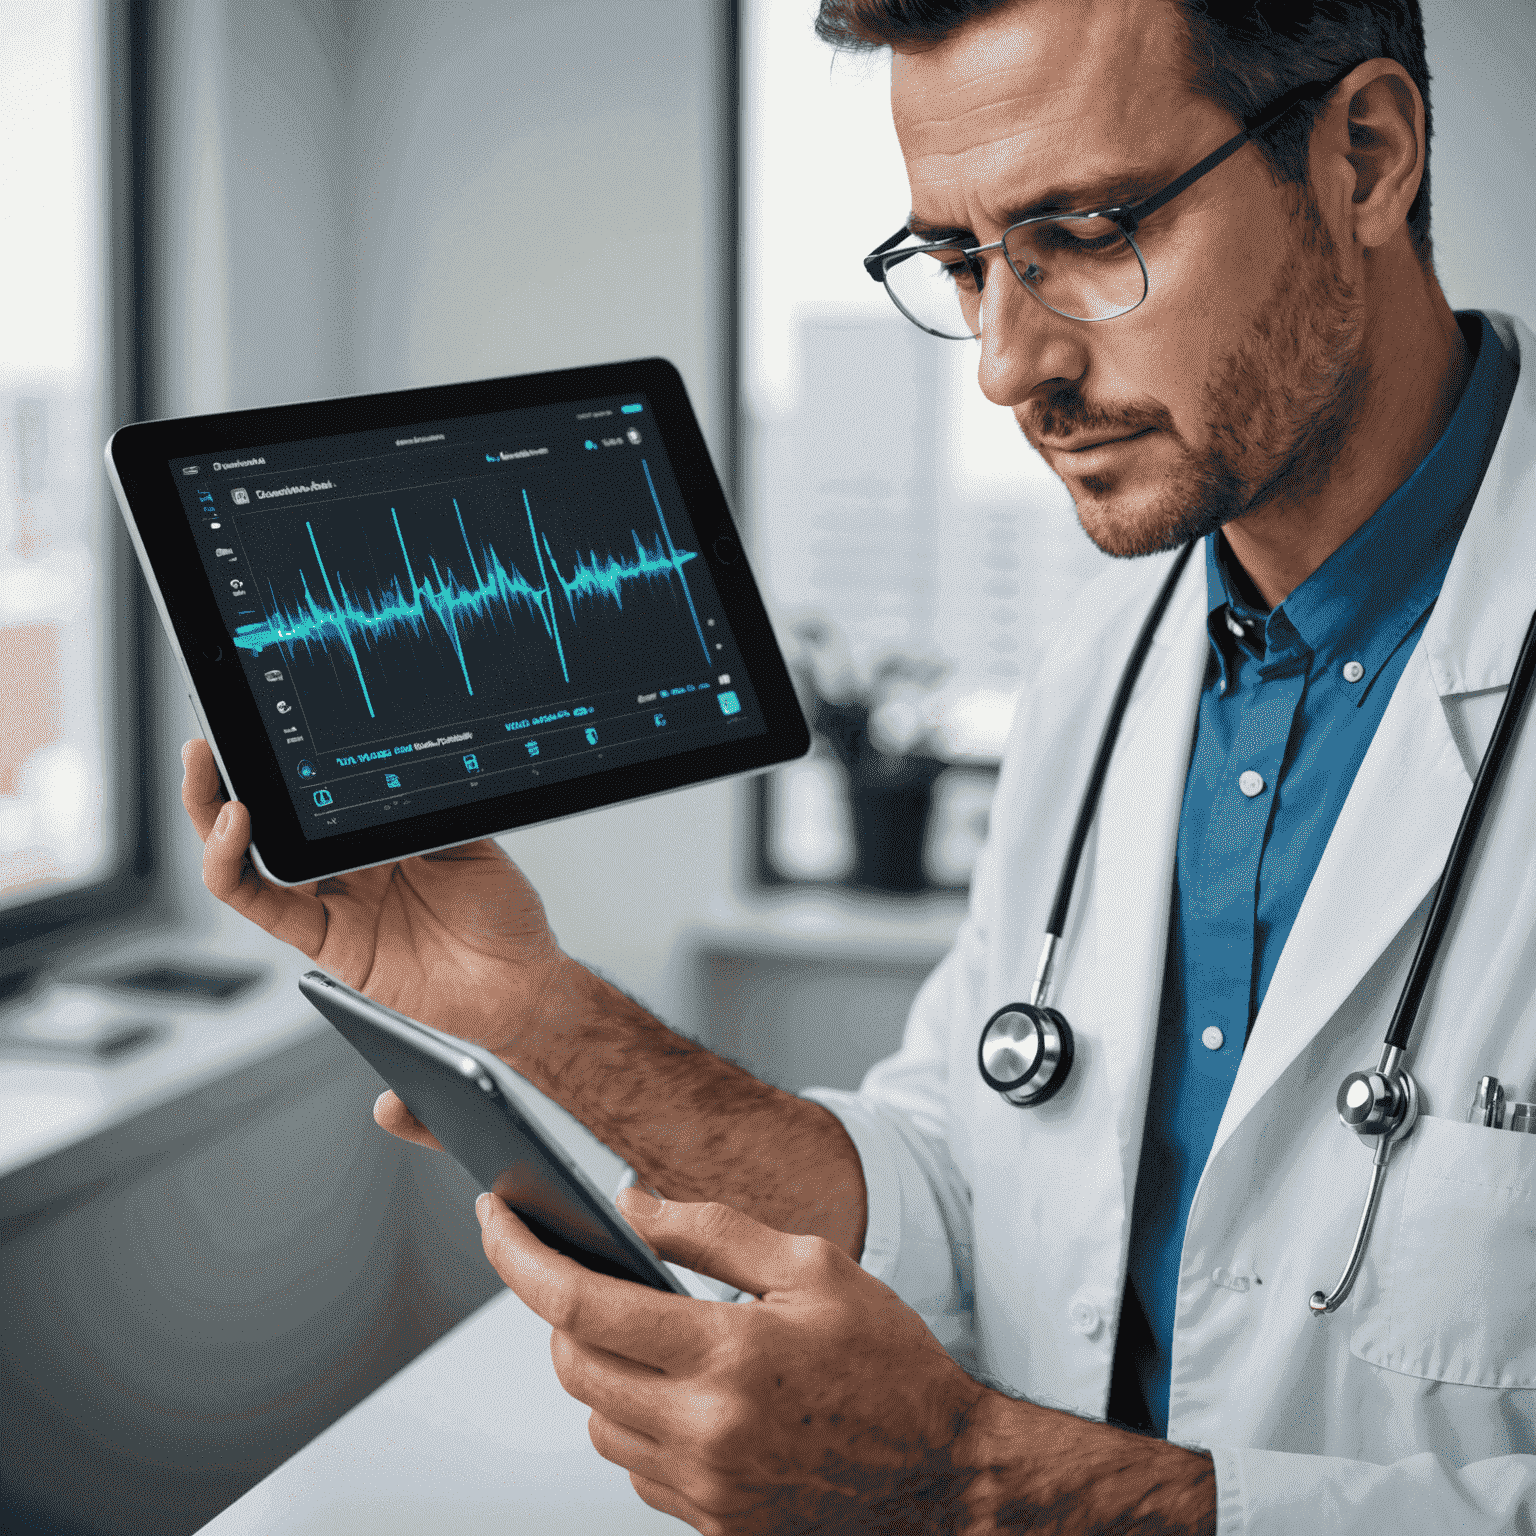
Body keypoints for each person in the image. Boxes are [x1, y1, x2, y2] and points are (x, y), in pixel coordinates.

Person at [182, 0, 1536, 1529]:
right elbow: (956, 1200)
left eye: (1085, 232)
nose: (1008, 363)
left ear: (1366, 156)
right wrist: (518, 1007)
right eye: (960, 265)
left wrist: (973, 1483)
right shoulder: (1106, 668)